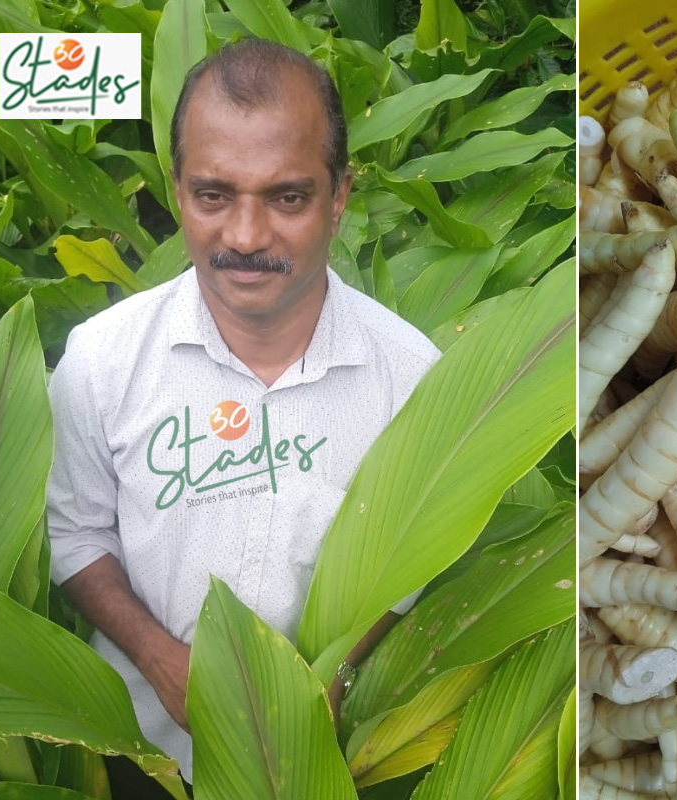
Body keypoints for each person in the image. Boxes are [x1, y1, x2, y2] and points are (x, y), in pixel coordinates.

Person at [44, 38, 439, 794]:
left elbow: (415, 565)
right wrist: (159, 660)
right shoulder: (102, 360)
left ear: (340, 196)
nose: (247, 237)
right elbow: (77, 533)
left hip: (331, 756)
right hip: (140, 751)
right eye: (213, 195)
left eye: (287, 197)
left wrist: (342, 670)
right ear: (177, 190)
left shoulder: (410, 377)